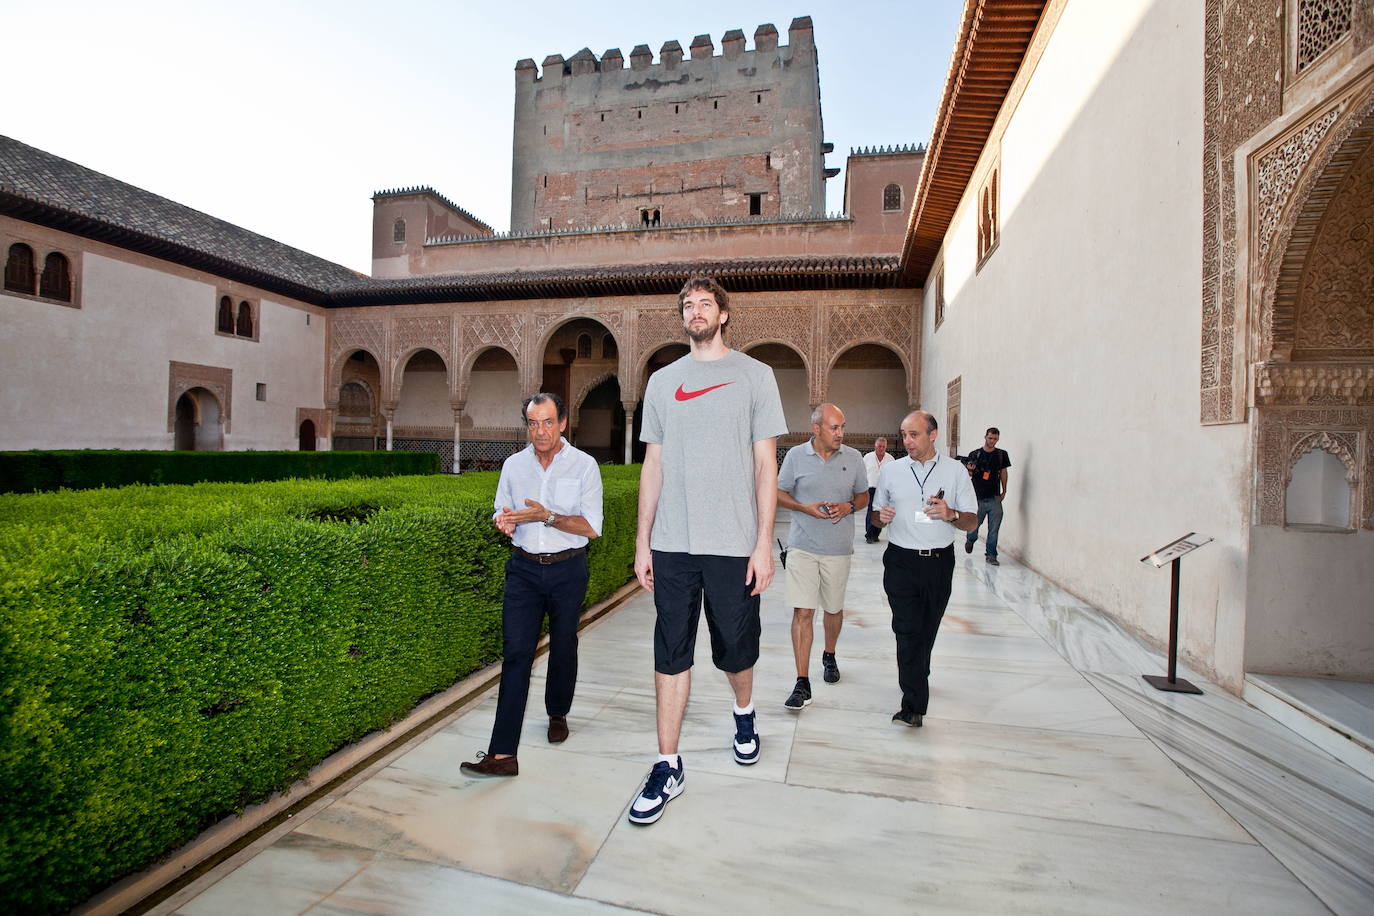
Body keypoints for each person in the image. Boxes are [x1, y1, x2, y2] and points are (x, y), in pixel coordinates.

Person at [628, 276, 787, 826]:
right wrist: (642, 541)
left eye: (705, 304)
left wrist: (763, 544)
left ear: (723, 315)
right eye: (687, 305)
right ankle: (667, 763)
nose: (695, 311)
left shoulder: (755, 376)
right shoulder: (661, 382)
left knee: (735, 651)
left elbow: (767, 466)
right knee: (670, 651)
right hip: (673, 543)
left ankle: (744, 712)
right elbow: (653, 465)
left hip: (733, 544)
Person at [460, 392, 603, 777]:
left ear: (563, 424)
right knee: (517, 655)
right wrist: (503, 522)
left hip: (568, 569)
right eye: (533, 423)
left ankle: (557, 712)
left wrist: (548, 517)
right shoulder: (513, 466)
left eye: (547, 422)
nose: (540, 431)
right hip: (523, 570)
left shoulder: (584, 466)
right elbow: (502, 509)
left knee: (563, 646)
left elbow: (591, 527)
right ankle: (503, 754)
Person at [873, 410, 977, 728]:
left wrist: (951, 513)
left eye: (913, 434)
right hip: (900, 561)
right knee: (906, 631)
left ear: (933, 435)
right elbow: (876, 516)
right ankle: (913, 704)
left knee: (926, 629)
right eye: (903, 435)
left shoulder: (955, 471)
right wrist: (882, 518)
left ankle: (918, 670)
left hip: (938, 563)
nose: (907, 441)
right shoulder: (891, 471)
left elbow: (971, 520)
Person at [776, 403, 868, 709]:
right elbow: (779, 492)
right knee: (802, 612)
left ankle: (829, 654)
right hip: (802, 546)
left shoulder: (854, 458)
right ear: (816, 429)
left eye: (842, 427)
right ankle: (802, 682)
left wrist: (848, 507)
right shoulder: (795, 457)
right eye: (834, 427)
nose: (841, 433)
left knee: (833, 609)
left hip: (838, 549)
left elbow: (863, 495)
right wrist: (804, 507)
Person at [962, 427, 1011, 565]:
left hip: (994, 497)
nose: (992, 441)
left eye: (995, 439)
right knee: (973, 526)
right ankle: (970, 539)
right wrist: (970, 470)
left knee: (994, 529)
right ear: (985, 437)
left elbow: (1003, 472)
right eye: (990, 438)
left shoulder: (1001, 455)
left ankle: (991, 555)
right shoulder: (975, 454)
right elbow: (968, 476)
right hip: (977, 497)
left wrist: (1004, 491)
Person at [862, 437, 895, 543]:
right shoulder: (868, 457)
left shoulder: (890, 459)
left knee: (880, 513)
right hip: (870, 488)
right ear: (875, 446)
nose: (881, 448)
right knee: (871, 511)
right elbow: (862, 473)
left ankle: (875, 534)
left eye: (883, 446)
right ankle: (869, 535)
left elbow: (894, 476)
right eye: (879, 446)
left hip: (884, 490)